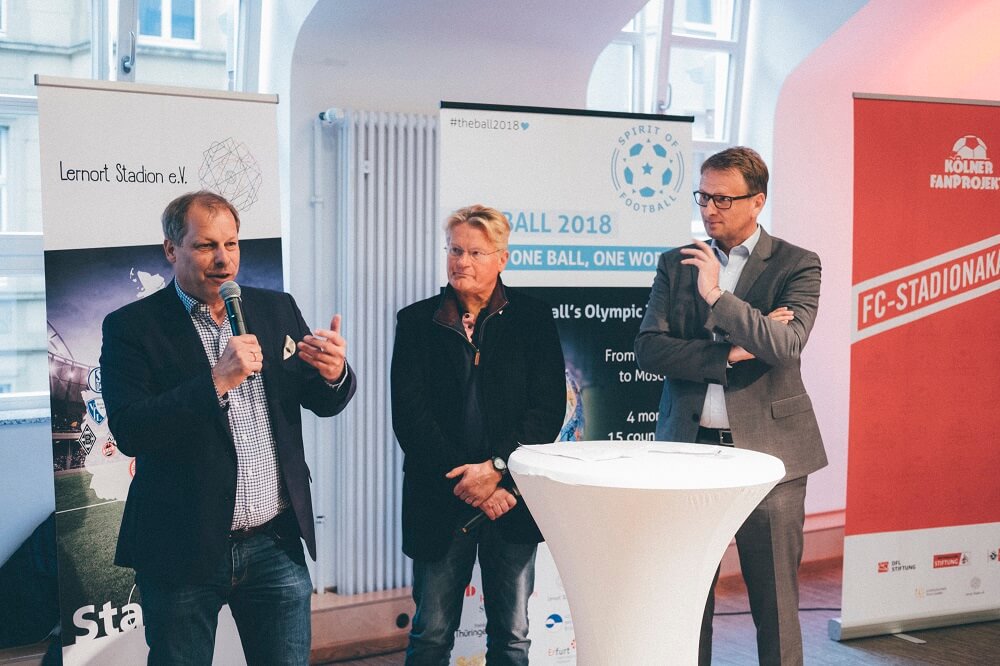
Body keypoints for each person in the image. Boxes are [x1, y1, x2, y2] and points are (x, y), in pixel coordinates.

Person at [100, 191, 357, 665]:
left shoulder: (276, 308)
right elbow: (132, 429)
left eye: (233, 244)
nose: (224, 260)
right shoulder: (131, 327)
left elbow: (322, 401)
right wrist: (216, 380)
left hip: (274, 543)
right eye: (206, 246)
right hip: (182, 549)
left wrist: (334, 372)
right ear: (170, 250)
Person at [635, 147, 826, 666]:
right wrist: (730, 352)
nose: (709, 208)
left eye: (723, 198)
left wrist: (718, 297)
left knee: (775, 603)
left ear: (757, 201)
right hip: (690, 451)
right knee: (688, 595)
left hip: (773, 455)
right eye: (703, 196)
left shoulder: (797, 264)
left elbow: (786, 347)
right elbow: (649, 349)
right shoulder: (676, 264)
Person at [391, 205, 566, 665]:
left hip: (511, 497)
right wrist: (469, 483)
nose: (460, 262)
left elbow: (546, 412)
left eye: (474, 252)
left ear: (502, 258)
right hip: (439, 499)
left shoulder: (533, 319)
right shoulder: (416, 322)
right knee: (430, 634)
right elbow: (411, 418)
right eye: (454, 250)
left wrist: (498, 473)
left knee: (511, 637)